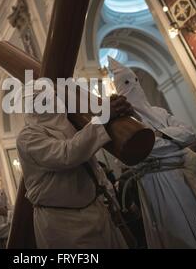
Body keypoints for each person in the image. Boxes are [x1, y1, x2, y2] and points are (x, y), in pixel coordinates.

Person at [109, 58, 196, 248]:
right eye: (126, 82)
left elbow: (188, 133)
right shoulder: (121, 123)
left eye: (134, 80)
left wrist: (157, 135)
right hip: (154, 185)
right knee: (176, 232)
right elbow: (135, 154)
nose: (133, 86)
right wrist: (171, 141)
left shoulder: (158, 112)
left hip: (184, 179)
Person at [16, 81, 130, 249]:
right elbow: (67, 154)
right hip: (63, 223)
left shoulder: (70, 123)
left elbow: (91, 165)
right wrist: (103, 116)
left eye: (48, 97)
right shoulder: (27, 137)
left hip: (96, 210)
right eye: (37, 99)